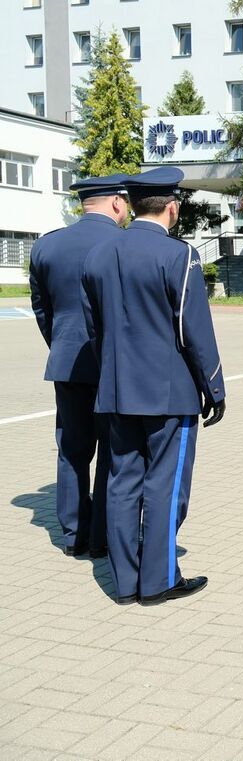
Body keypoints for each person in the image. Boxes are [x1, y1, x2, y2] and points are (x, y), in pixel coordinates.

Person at [81, 167, 227, 606]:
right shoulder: (177, 255)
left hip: (116, 390)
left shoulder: (99, 255)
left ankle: (124, 582)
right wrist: (214, 388)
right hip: (169, 393)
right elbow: (194, 329)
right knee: (165, 485)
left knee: (121, 482)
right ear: (171, 207)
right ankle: (158, 580)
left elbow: (94, 329)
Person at [28, 174, 130, 558]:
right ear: (117, 203)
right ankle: (101, 536)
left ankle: (73, 535)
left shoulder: (47, 245)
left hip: (67, 363)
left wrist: (61, 345)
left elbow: (43, 310)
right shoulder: (124, 243)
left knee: (72, 448)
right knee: (113, 450)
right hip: (115, 365)